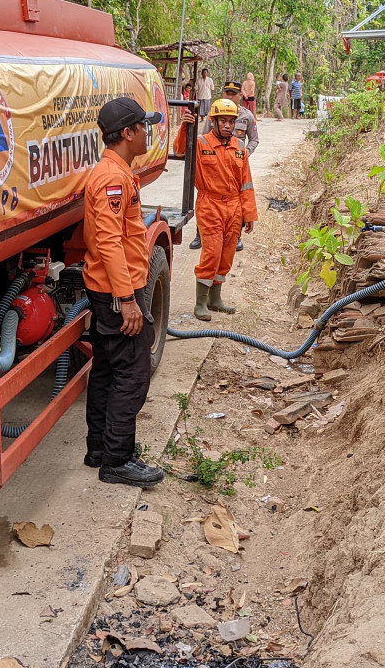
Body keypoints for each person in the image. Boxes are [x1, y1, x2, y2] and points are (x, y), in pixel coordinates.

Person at [81, 96, 167, 488]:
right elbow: (110, 243)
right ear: (128, 133)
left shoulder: (115, 172)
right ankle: (117, 460)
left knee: (106, 370)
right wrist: (128, 300)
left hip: (109, 292)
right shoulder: (112, 179)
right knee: (132, 374)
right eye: (143, 126)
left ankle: (100, 449)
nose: (148, 132)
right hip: (118, 294)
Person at [174, 98, 257, 320]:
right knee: (212, 252)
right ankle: (200, 303)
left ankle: (215, 299)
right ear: (213, 121)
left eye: (231, 121)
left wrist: (249, 214)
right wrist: (186, 127)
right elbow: (180, 150)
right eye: (223, 121)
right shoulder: (201, 143)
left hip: (234, 206)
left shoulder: (239, 147)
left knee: (227, 254)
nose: (228, 126)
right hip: (210, 204)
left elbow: (246, 183)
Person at [188, 81, 258, 250]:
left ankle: (236, 236)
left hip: (236, 162)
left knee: (236, 197)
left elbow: (254, 139)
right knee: (208, 196)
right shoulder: (215, 112)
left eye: (233, 94)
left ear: (240, 96)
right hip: (213, 161)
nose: (230, 96)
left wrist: (244, 153)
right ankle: (200, 234)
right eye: (227, 93)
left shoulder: (247, 116)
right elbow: (203, 137)